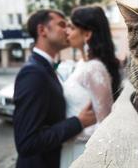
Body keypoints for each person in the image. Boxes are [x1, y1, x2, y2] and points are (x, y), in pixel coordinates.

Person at [13, 9, 97, 168]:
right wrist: (78, 122)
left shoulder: (45, 67)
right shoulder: (32, 73)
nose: (67, 30)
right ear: (42, 30)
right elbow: (27, 142)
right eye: (61, 24)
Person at [59, 6, 122, 167]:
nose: (67, 32)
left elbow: (105, 126)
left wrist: (71, 131)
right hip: (71, 147)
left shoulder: (95, 68)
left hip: (83, 151)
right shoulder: (81, 64)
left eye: (72, 27)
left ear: (87, 34)